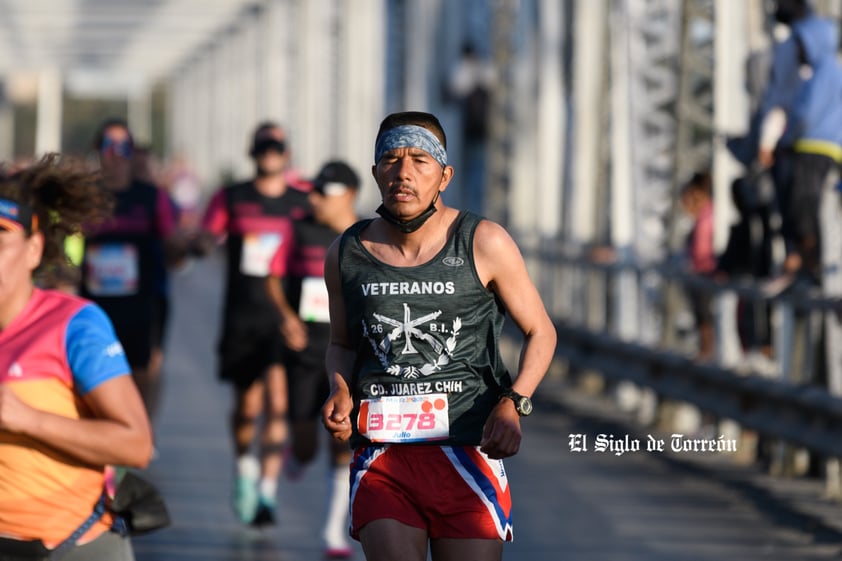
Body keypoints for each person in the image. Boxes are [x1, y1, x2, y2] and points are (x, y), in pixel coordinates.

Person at [320, 111, 557, 561]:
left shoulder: (483, 242)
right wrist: (340, 389)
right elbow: (341, 344)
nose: (403, 172)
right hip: (383, 454)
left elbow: (541, 331)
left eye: (419, 160)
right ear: (375, 173)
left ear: (444, 174)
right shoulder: (346, 253)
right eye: (390, 159)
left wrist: (515, 402)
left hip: (467, 451)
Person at [0, 154, 153, 560]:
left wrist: (28, 419)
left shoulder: (72, 324)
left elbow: (135, 444)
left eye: (0, 235)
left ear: (34, 248)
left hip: (69, 547)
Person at [192, 121, 311, 526]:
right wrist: (198, 243)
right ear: (253, 152)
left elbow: (326, 236)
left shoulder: (303, 200)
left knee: (278, 402)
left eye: (277, 147)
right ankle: (245, 466)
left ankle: (268, 491)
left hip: (286, 318)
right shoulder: (233, 197)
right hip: (243, 315)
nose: (270, 154)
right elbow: (207, 234)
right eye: (264, 147)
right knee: (248, 405)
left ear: (287, 154)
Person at [266, 160, 360, 558]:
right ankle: (297, 453)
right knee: (306, 445)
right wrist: (286, 317)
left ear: (349, 196)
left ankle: (333, 531)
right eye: (313, 191)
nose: (315, 198)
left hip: (348, 353)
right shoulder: (299, 229)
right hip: (305, 350)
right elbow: (271, 275)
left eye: (324, 192)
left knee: (343, 441)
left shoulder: (367, 237)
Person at [78, 118, 187, 432]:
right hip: (93, 305)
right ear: (97, 151)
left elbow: (172, 245)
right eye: (108, 146)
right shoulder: (84, 196)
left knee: (143, 372)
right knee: (91, 376)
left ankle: (139, 433)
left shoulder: (151, 196)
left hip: (142, 302)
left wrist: (186, 246)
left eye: (123, 147)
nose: (115, 154)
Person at [447, 42, 496, 215]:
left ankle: (474, 208)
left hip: (476, 131)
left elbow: (454, 89)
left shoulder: (470, 72)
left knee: (475, 171)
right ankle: (472, 207)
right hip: (474, 132)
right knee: (474, 171)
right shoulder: (479, 71)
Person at [679, 171, 716, 361]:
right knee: (701, 313)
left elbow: (703, 248)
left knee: (705, 313)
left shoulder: (708, 215)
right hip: (699, 270)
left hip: (706, 271)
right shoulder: (702, 217)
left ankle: (707, 350)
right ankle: (705, 349)